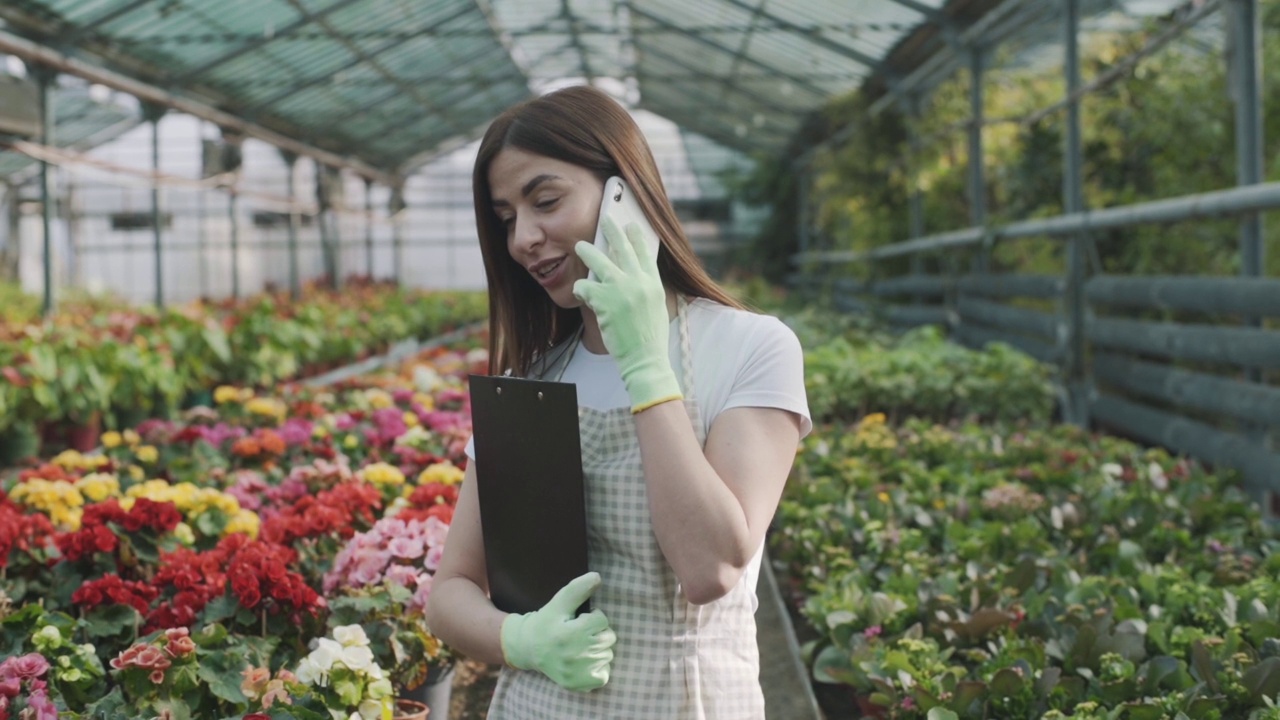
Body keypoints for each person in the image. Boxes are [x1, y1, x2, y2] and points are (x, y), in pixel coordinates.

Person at [425, 84, 812, 719]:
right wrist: (519, 640)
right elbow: (451, 592)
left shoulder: (750, 347)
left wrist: (644, 364)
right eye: (505, 219)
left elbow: (709, 567)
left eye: (545, 201)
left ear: (623, 194)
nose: (523, 237)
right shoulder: (532, 378)